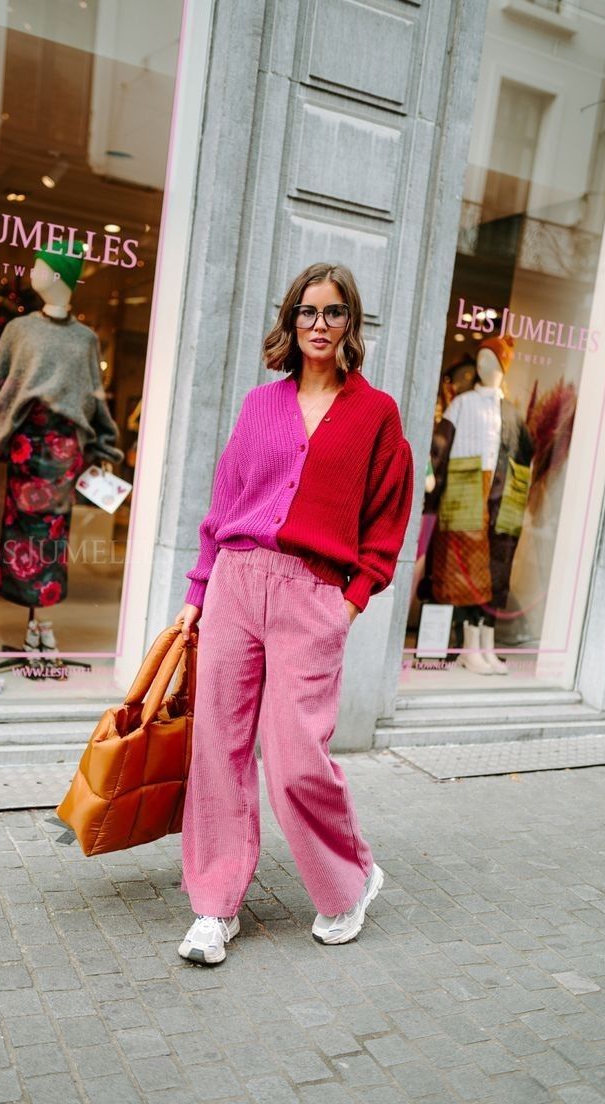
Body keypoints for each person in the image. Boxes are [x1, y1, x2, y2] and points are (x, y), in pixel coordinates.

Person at [174, 263, 414, 965]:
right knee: (217, 746)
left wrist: (350, 600)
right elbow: (222, 505)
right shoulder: (260, 404)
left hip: (312, 594)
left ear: (351, 324)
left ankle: (350, 878)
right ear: (291, 319)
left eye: (334, 312)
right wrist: (197, 593)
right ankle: (214, 907)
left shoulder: (376, 413)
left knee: (294, 756)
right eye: (308, 311)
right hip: (236, 583)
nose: (319, 324)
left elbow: (389, 516)